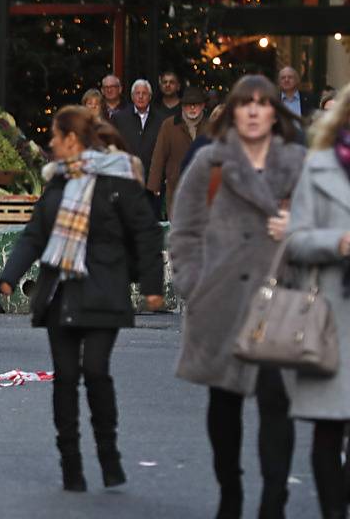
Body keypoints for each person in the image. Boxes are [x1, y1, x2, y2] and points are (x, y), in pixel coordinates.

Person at [0, 105, 164, 492]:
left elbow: (146, 232)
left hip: (104, 290)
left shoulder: (117, 180)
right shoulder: (56, 183)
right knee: (65, 378)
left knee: (97, 372)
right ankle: (70, 464)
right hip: (61, 292)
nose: (51, 144)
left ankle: (109, 456)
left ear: (72, 139)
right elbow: (35, 235)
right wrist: (9, 276)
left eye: (56, 136)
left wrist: (153, 285)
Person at [170, 74, 306, 519]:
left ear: (274, 113)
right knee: (224, 404)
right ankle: (231, 492)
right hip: (221, 302)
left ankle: (273, 501)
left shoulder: (299, 165)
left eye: (261, 103)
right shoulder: (210, 162)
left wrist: (298, 232)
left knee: (276, 403)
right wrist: (194, 284)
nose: (252, 110)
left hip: (280, 301)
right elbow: (184, 232)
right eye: (243, 103)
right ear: (231, 111)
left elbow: (331, 225)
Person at [286, 82, 350, 519]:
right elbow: (295, 241)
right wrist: (339, 243)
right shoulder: (319, 168)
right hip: (332, 317)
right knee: (329, 431)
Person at [147, 86, 209, 218]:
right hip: (176, 185)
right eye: (188, 105)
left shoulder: (211, 127)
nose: (192, 108)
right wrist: (154, 184)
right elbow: (159, 155)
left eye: (196, 105)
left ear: (203, 106)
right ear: (182, 106)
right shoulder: (169, 125)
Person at [111, 79, 168, 184]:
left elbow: (166, 150)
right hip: (127, 177)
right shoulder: (119, 118)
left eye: (144, 93)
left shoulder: (162, 120)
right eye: (137, 93)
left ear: (150, 97)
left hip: (153, 180)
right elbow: (114, 148)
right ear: (132, 97)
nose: (140, 97)